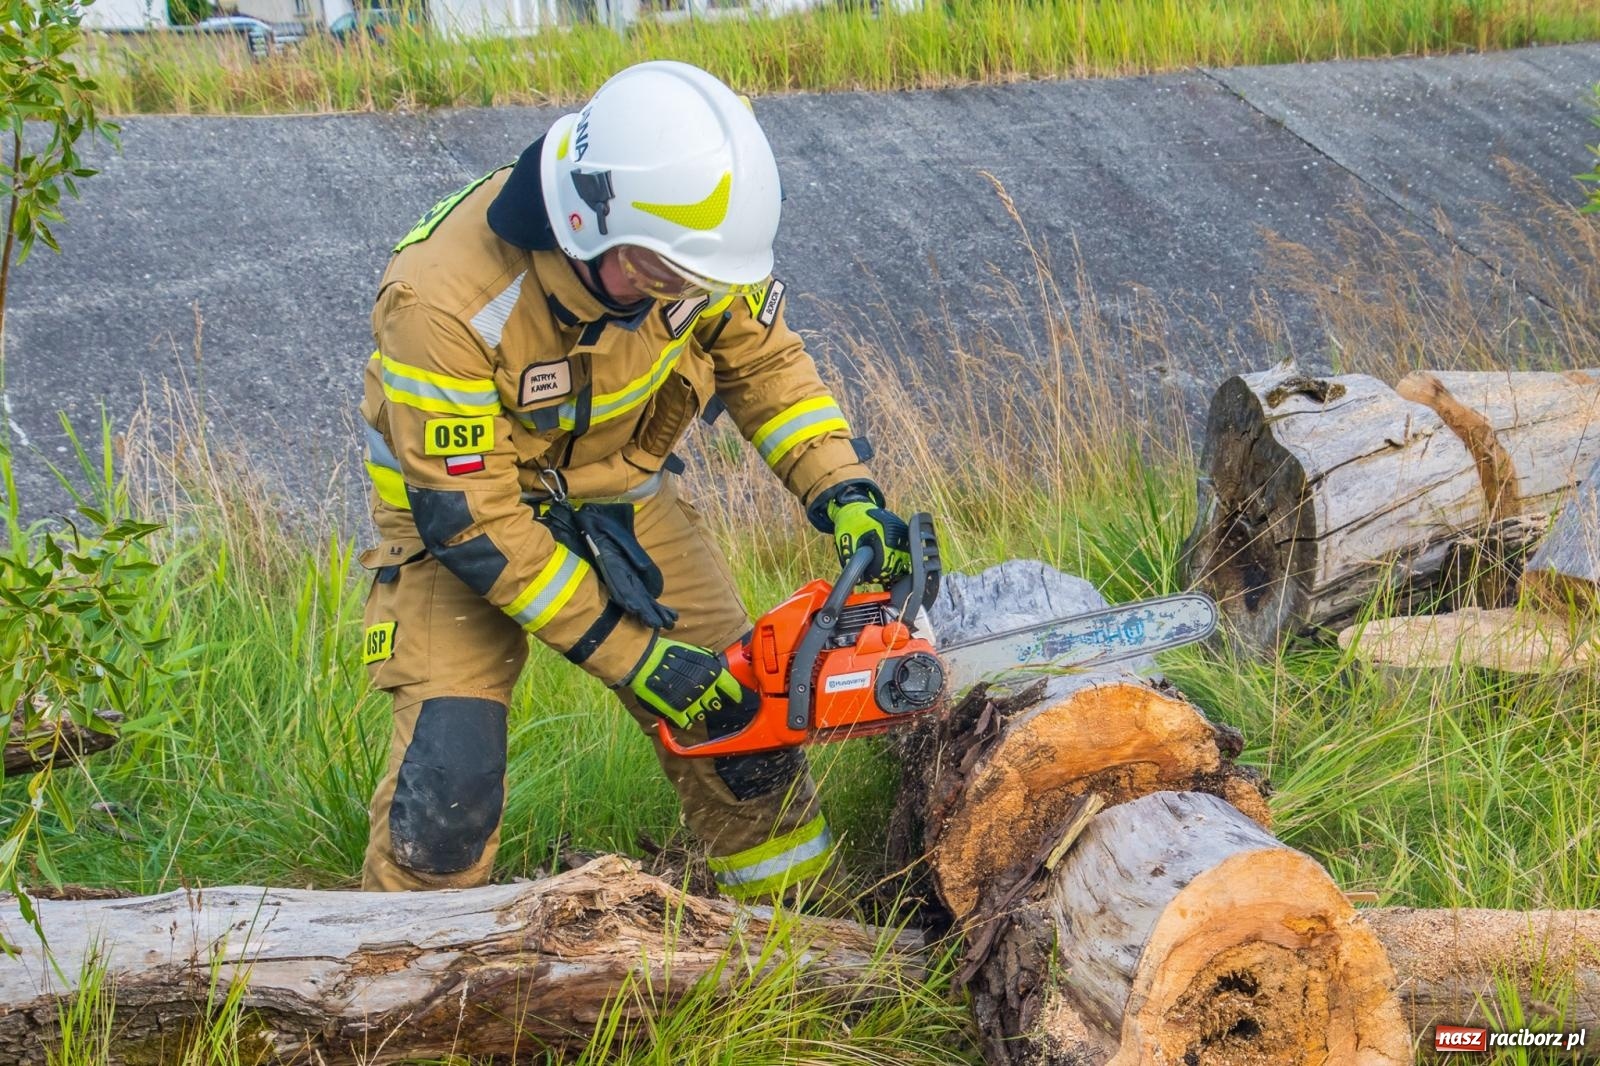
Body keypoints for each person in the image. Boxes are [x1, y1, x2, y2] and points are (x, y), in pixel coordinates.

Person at [356, 60, 912, 902]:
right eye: (662, 276)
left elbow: (764, 364)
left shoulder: (686, 240)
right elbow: (474, 524)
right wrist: (637, 658)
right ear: (588, 222)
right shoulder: (443, 299)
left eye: (697, 281)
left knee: (743, 739)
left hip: (622, 493)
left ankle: (805, 940)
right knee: (449, 781)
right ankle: (398, 968)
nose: (683, 294)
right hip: (458, 530)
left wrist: (844, 491)